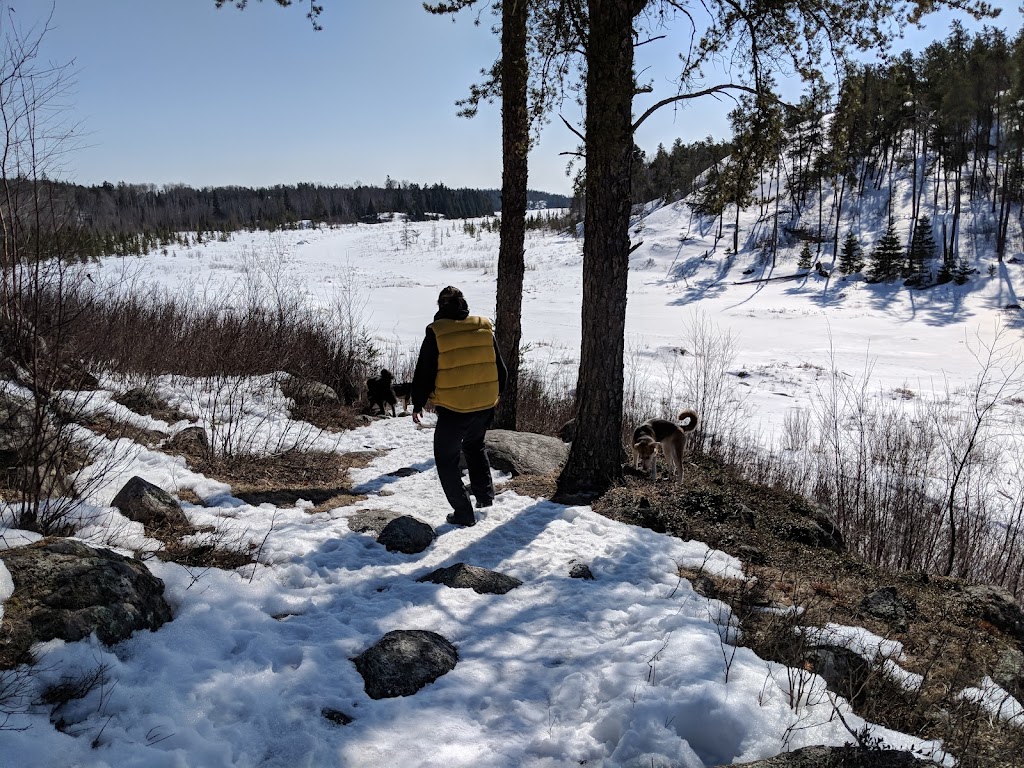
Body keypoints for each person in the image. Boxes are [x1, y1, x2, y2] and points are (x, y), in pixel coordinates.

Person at [411, 286, 507, 527]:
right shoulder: (483, 326)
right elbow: (501, 370)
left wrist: (418, 402)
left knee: (446, 459)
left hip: (454, 409)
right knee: (475, 446)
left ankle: (463, 512)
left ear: (440, 307)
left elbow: (425, 371)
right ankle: (484, 497)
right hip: (485, 404)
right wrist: (493, 395)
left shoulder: (437, 332)